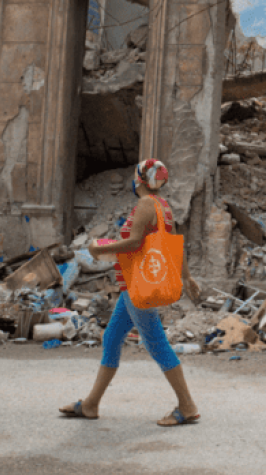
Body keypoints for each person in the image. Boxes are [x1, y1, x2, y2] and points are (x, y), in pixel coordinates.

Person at [59, 158, 201, 427]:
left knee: (156, 343)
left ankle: (187, 405)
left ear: (140, 179)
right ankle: (90, 404)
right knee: (112, 338)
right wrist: (187, 276)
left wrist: (99, 249)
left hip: (138, 285)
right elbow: (175, 243)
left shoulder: (147, 204)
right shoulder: (163, 206)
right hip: (131, 286)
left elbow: (135, 242)